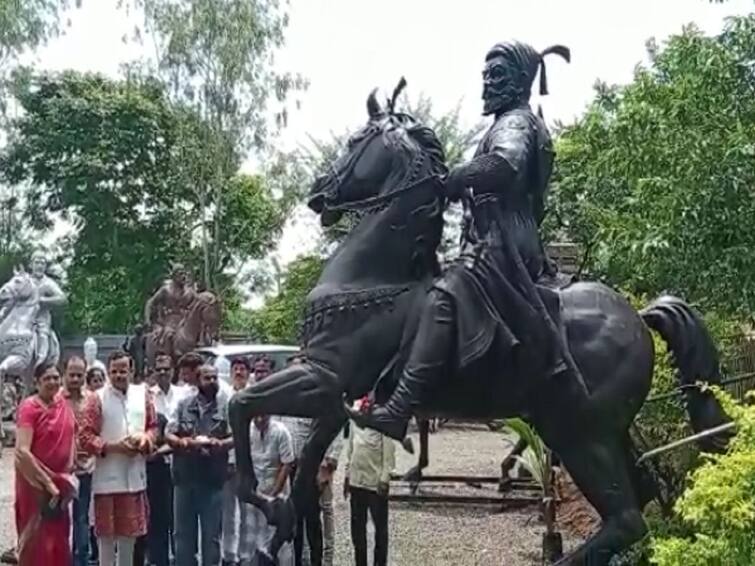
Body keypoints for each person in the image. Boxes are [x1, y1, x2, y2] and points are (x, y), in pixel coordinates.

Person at [349, 41, 586, 442]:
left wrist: (453, 178)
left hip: (503, 239)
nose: (488, 84)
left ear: (520, 82)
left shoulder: (515, 123)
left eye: (498, 76)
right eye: (486, 75)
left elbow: (504, 164)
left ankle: (400, 408)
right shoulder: (509, 121)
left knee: (446, 294)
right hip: (496, 233)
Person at [80, 350, 157, 566]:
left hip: (134, 479)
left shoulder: (143, 395)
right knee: (105, 539)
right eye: (113, 371)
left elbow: (153, 426)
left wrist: (145, 439)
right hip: (107, 481)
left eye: (123, 370)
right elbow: (85, 436)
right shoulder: (97, 399)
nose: (118, 375)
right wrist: (114, 447)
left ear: (131, 371)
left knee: (129, 538)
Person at [167, 364, 233, 566]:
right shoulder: (183, 404)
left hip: (212, 481)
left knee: (211, 538)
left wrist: (220, 445)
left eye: (214, 377)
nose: (212, 381)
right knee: (183, 538)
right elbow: (168, 433)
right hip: (185, 479)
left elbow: (236, 437)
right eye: (207, 378)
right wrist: (181, 442)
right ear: (197, 381)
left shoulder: (226, 407)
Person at [14, 362, 77, 566]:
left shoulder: (62, 405)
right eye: (47, 378)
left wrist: (68, 474)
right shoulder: (29, 408)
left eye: (55, 377)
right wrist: (48, 483)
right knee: (36, 543)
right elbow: (22, 451)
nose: (52, 382)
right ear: (36, 382)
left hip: (61, 485)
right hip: (35, 486)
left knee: (58, 540)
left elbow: (72, 435)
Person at [344, 396, 395, 566]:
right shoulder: (356, 409)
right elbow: (351, 446)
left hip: (375, 483)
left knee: (380, 531)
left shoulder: (384, 413)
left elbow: (389, 451)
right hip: (357, 480)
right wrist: (347, 473)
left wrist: (385, 478)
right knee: (357, 531)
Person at [62, 355, 96, 566]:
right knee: (59, 520)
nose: (75, 379)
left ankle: (80, 561)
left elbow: (98, 430)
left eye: (79, 375)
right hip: (59, 471)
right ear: (64, 374)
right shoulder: (55, 399)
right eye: (71, 374)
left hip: (85, 470)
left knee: (82, 519)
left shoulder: (92, 400)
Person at [146, 352, 179, 566]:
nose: (163, 372)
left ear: (172, 370)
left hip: (180, 463)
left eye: (166, 368)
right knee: (157, 515)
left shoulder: (184, 394)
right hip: (155, 465)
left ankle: (180, 558)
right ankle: (158, 560)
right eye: (159, 369)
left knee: (178, 517)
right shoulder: (148, 396)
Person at [221, 357, 252, 566]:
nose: (239, 372)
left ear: (248, 373)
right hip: (230, 461)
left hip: (251, 461)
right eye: (236, 369)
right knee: (229, 510)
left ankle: (246, 554)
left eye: (242, 369)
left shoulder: (255, 394)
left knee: (248, 509)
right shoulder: (225, 396)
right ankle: (229, 555)